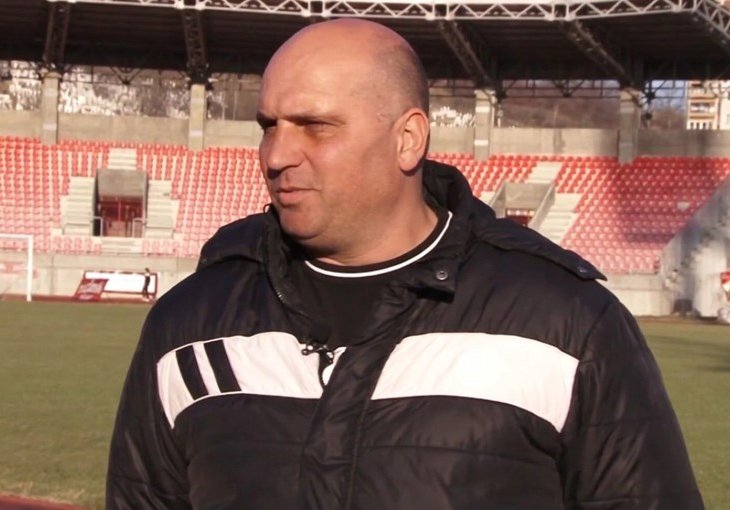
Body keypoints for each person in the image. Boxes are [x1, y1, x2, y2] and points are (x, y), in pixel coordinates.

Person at [106, 19, 703, 510]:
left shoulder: (567, 324)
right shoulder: (190, 324)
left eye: (315, 126)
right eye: (269, 127)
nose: (278, 154)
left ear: (408, 138)